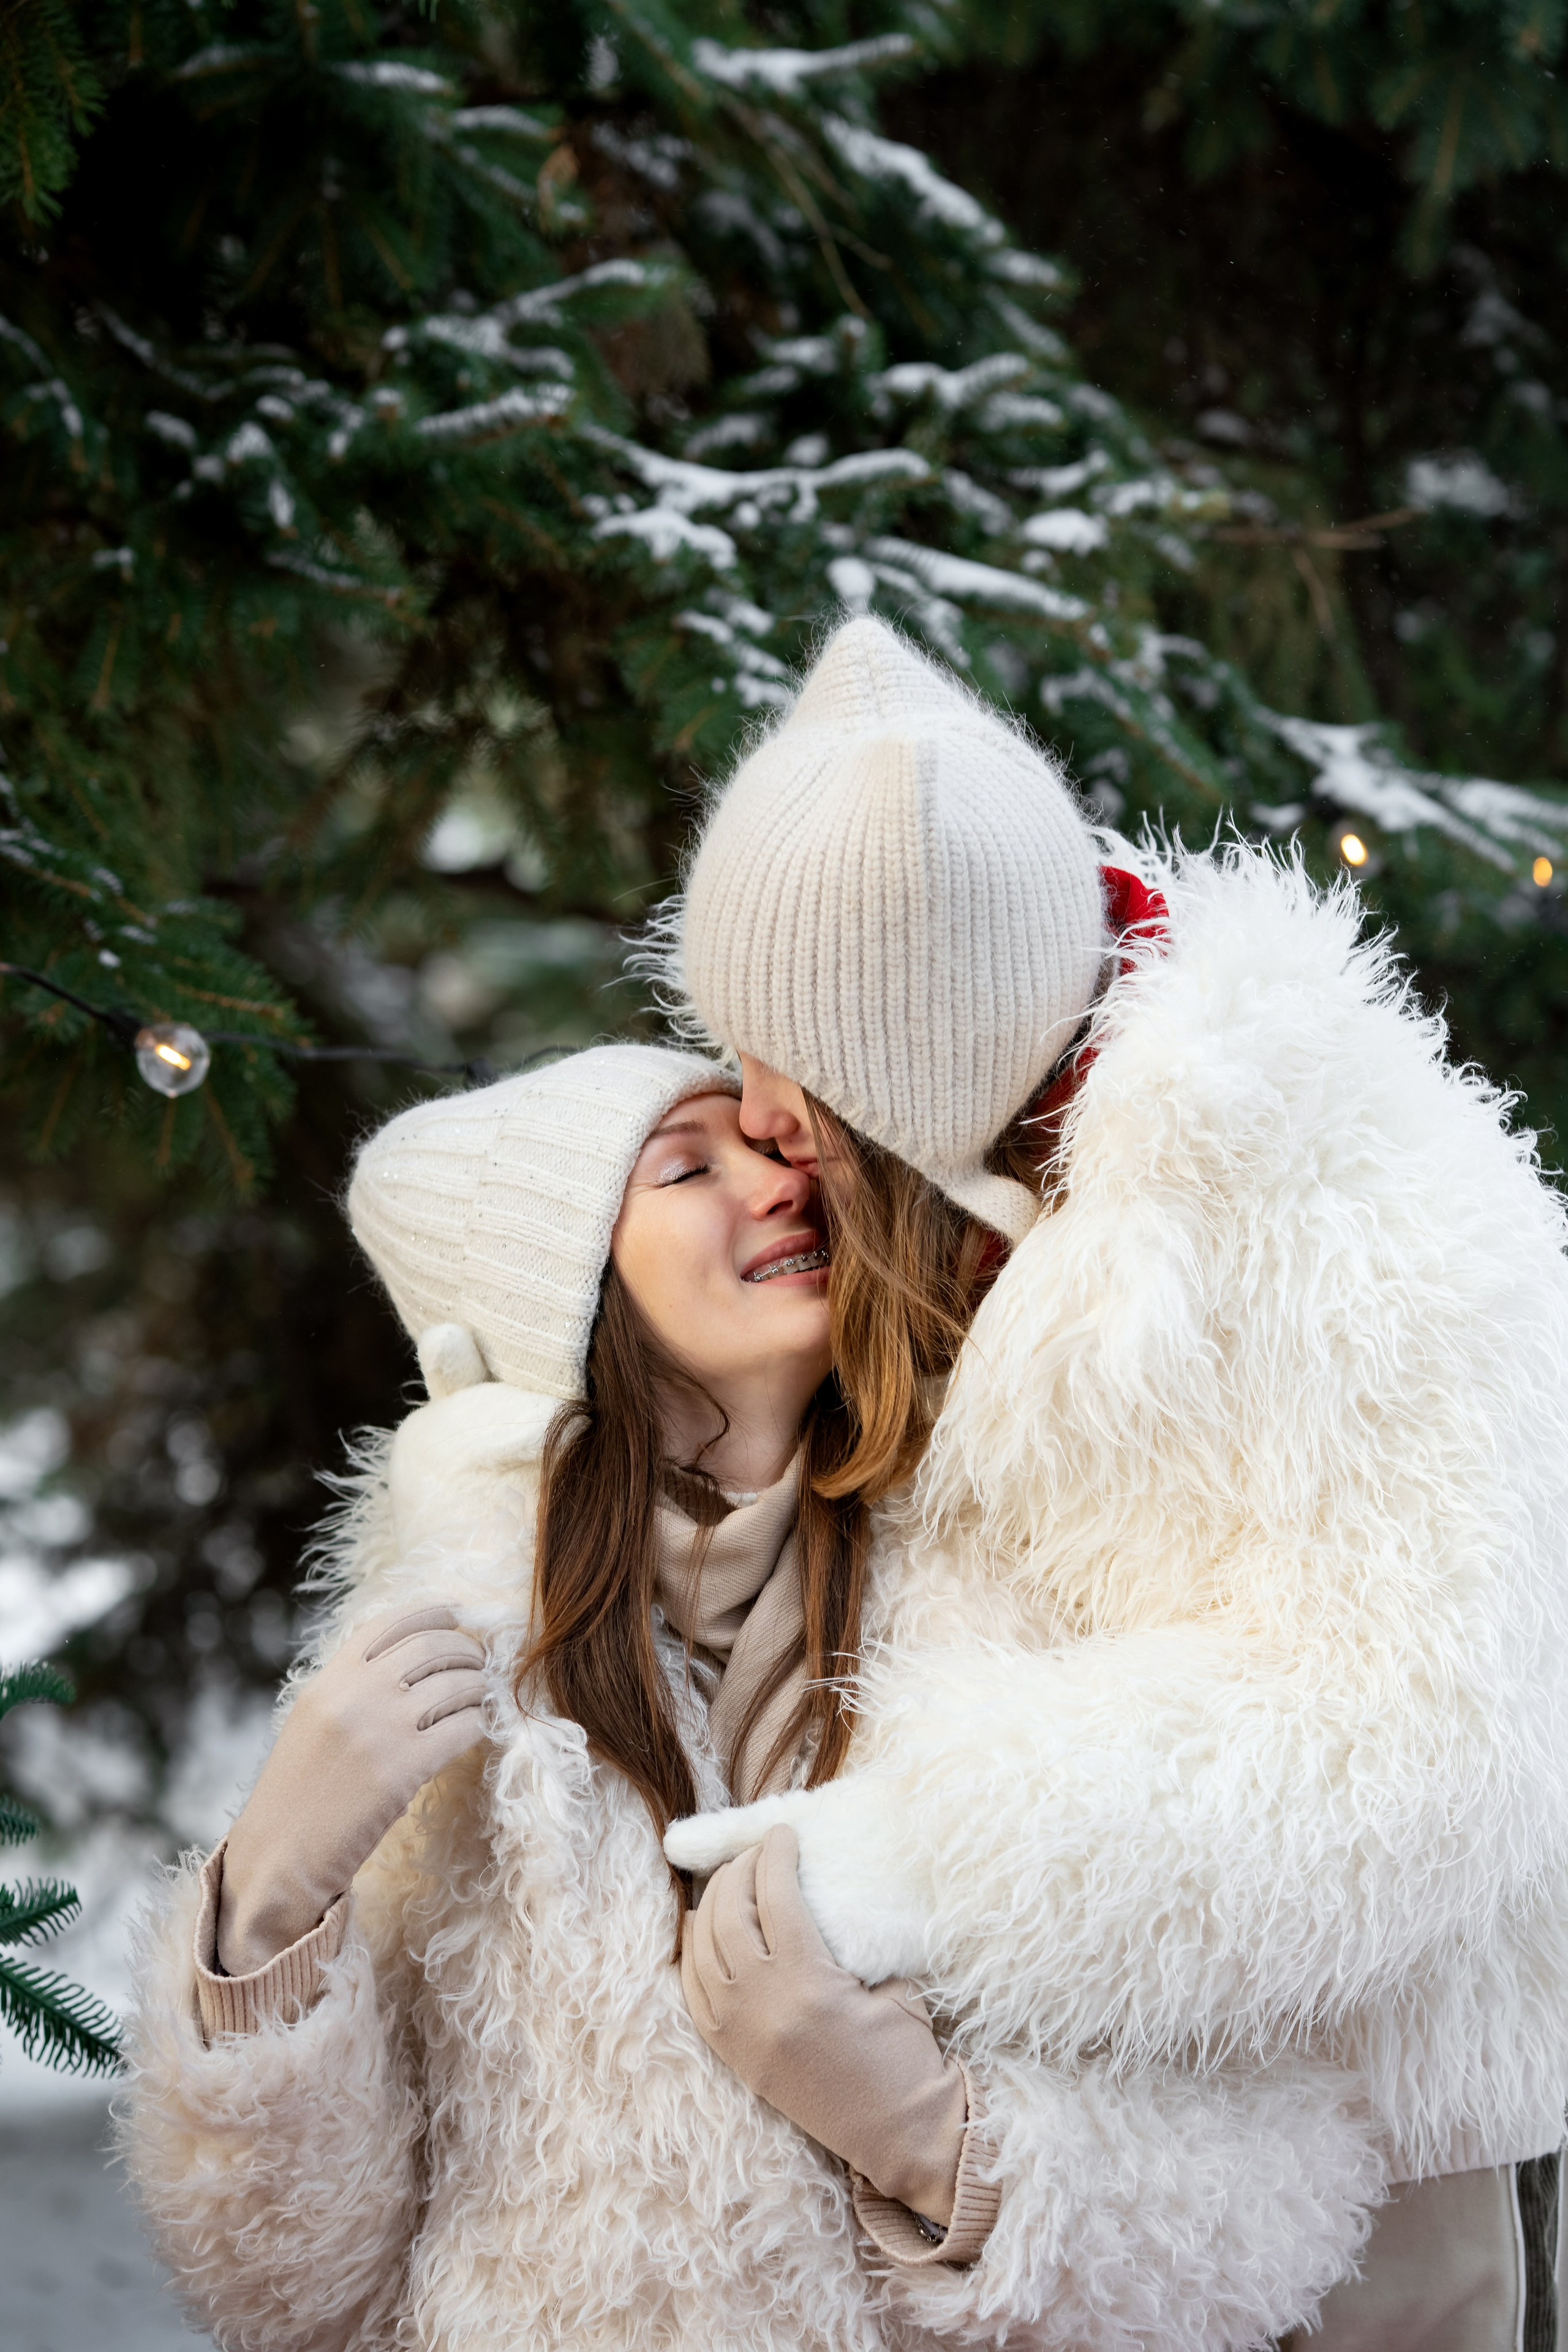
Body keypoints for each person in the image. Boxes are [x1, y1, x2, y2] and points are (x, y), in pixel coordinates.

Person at [119, 1041, 1376, 2352]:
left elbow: (1271, 2188)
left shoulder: (1023, 1591)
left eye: (774, 1152)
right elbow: (294, 2293)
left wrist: (924, 2133)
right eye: (688, 1168)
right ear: (564, 1293)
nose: (780, 1186)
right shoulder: (442, 1685)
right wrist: (266, 1901)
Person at [658, 616, 1568, 2351]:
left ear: (908, 1064)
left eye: (783, 1071)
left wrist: (917, 1858)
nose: (750, 1107)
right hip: (1083, 2110)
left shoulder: (1338, 1221)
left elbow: (1411, 1742)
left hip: (1369, 2108)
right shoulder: (980, 1175)